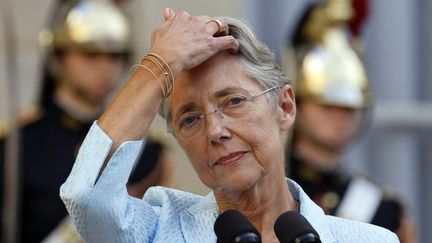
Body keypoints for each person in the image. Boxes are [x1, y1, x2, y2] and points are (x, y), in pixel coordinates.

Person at [60, 8, 399, 242]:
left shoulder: (371, 239)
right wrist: (160, 64)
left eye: (233, 101)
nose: (215, 131)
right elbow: (87, 197)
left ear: (284, 106)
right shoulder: (158, 229)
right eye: (190, 118)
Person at [0, 1, 172, 242]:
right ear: (59, 57)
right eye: (90, 54)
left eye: (114, 56)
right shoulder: (17, 142)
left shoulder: (147, 149)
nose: (105, 68)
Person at [284, 1, 417, 242]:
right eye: (327, 105)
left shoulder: (385, 208)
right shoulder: (271, 193)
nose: (341, 117)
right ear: (295, 104)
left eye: (350, 108)